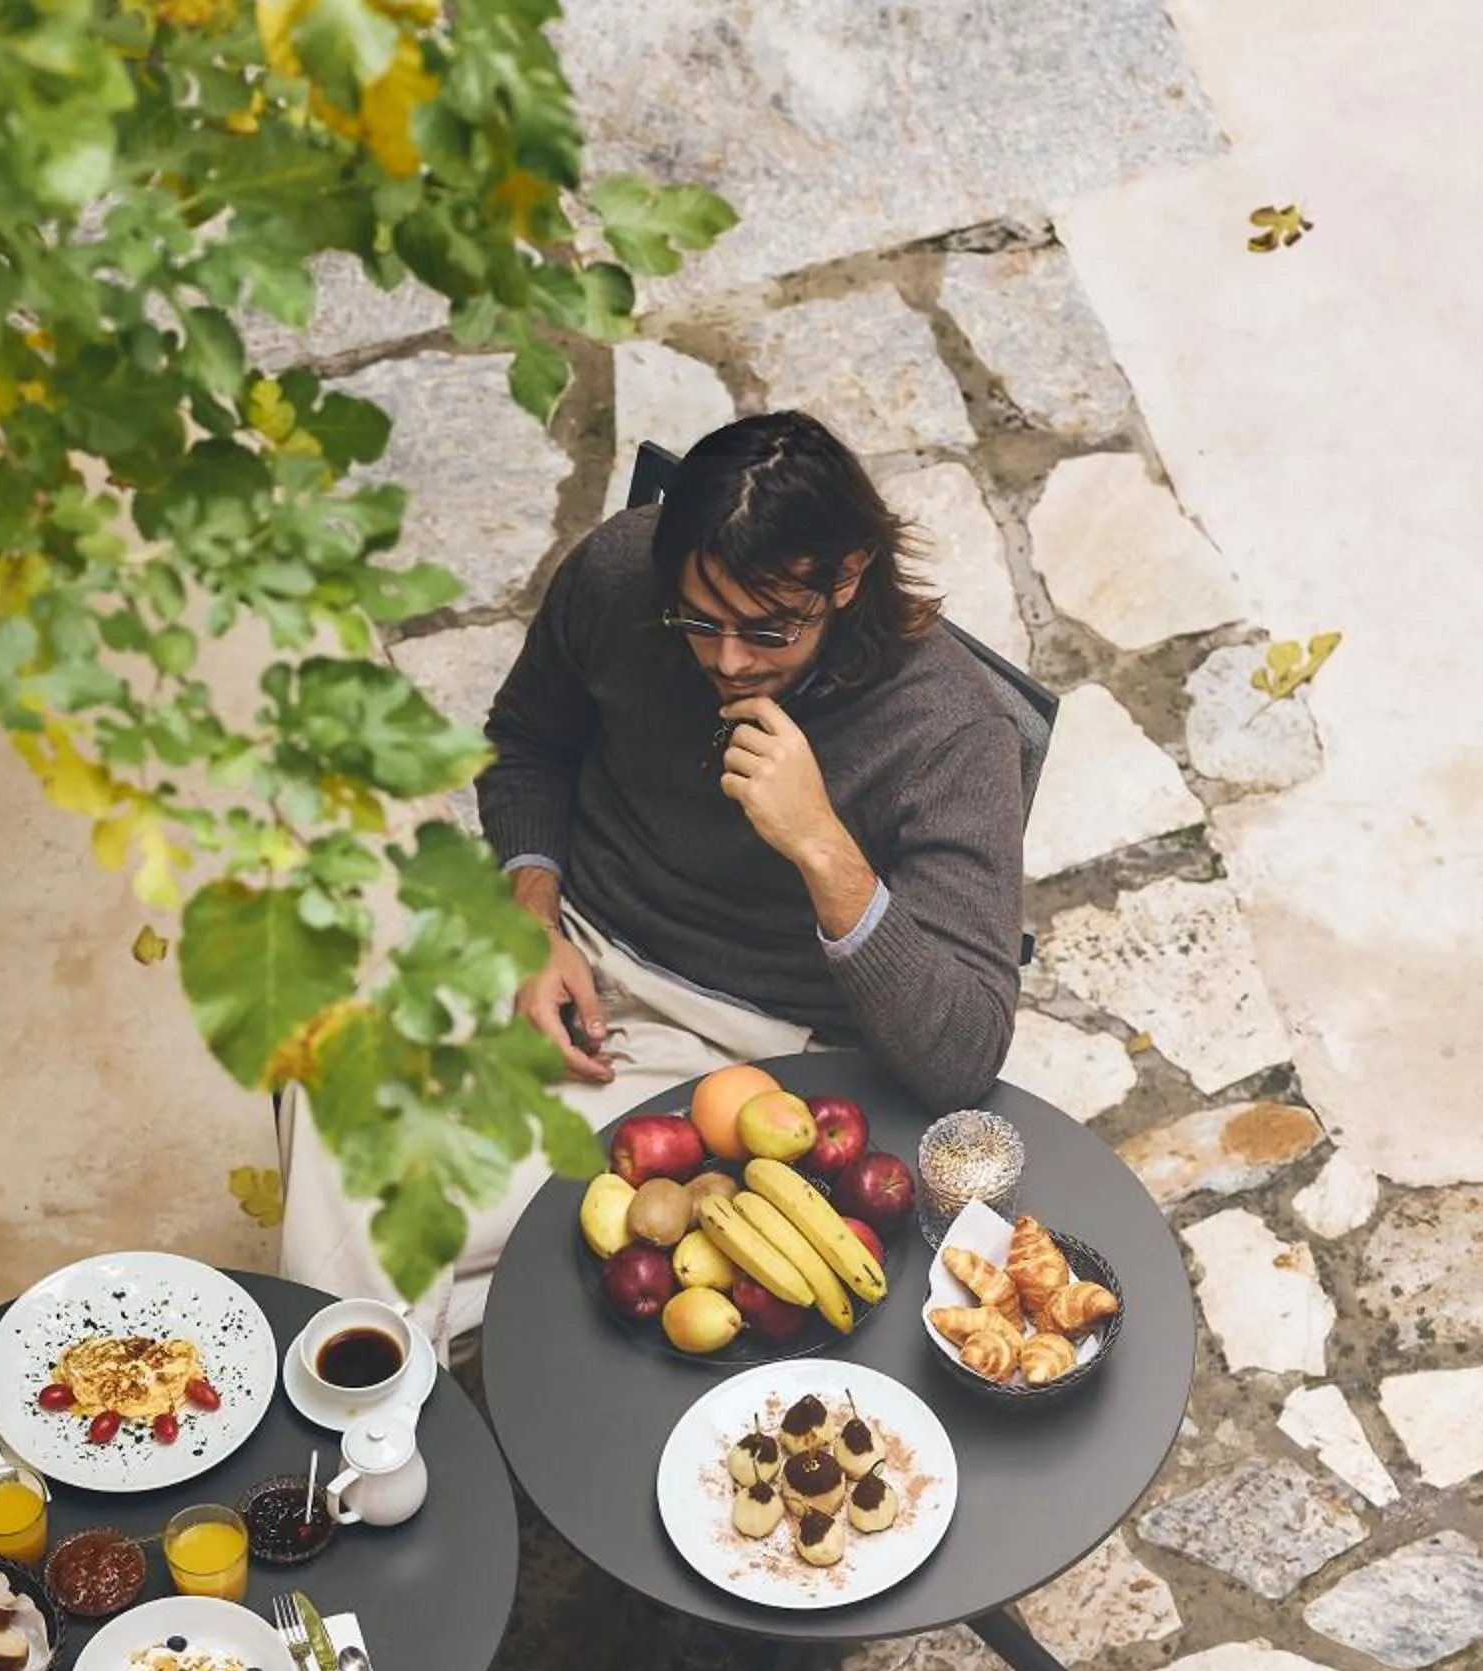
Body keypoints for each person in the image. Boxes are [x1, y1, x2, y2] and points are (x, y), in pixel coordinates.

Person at [278, 408, 1027, 1345]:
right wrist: (532, 916)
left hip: (738, 1039)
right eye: (698, 622)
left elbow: (964, 1051)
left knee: (406, 1204)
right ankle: (384, 1388)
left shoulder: (951, 733)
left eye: (768, 631)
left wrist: (822, 845)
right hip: (573, 931)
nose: (726, 660)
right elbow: (527, 745)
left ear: (848, 577)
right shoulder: (617, 573)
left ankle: (341, 1407)